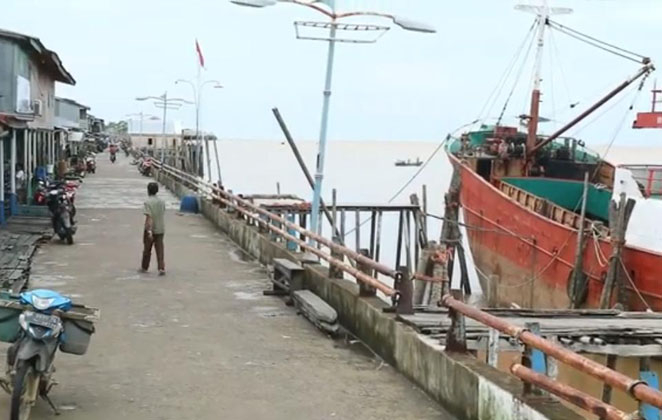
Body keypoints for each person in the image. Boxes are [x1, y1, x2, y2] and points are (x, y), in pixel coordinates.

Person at [140, 182, 166, 275]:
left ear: (148, 191)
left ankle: (144, 267)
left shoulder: (147, 202)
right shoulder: (161, 202)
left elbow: (149, 217)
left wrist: (149, 230)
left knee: (147, 250)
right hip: (160, 228)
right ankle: (161, 268)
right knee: (160, 249)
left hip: (151, 229)